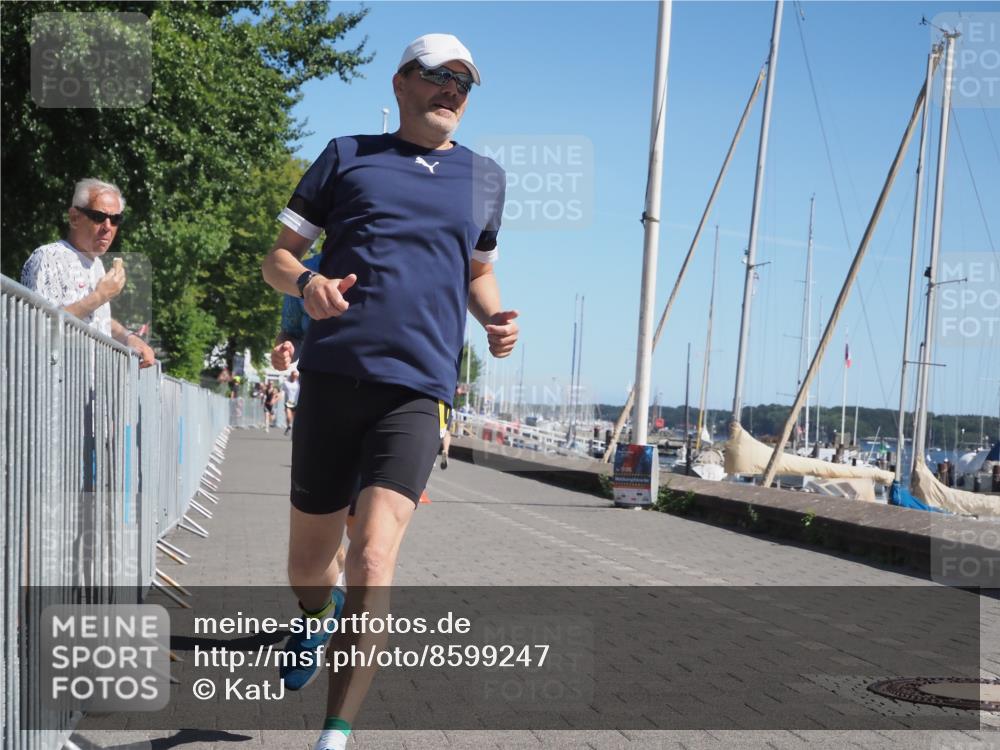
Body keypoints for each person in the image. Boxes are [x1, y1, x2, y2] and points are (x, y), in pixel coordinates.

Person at [261, 33, 518, 750]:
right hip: (333, 380)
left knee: (374, 556)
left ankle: (335, 735)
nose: (453, 91)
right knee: (308, 569)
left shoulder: (485, 178)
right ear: (402, 82)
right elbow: (277, 259)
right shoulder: (346, 156)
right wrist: (307, 282)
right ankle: (317, 615)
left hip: (418, 389)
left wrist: (494, 318)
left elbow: (477, 271)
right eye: (440, 76)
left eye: (465, 83)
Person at [21, 178, 155, 368]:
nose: (107, 227)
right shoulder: (48, 257)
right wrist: (99, 296)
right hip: (53, 383)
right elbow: (40, 328)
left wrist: (128, 338)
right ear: (74, 218)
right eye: (98, 216)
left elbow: (95, 318)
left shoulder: (97, 265)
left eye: (115, 219)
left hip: (89, 385)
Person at [281, 370, 301, 435]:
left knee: (296, 420)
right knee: (289, 416)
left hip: (296, 403)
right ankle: (289, 426)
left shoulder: (298, 383)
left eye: (296, 376)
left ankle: (295, 432)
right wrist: (280, 397)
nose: (294, 377)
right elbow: (282, 392)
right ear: (291, 375)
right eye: (293, 376)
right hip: (288, 403)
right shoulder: (286, 383)